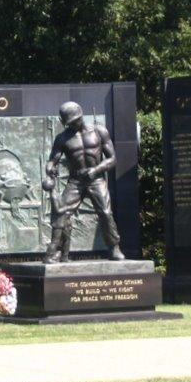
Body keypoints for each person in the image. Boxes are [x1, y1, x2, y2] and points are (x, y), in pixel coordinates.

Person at [43, 102, 125, 263]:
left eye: (75, 121)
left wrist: (96, 170)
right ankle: (59, 253)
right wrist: (50, 168)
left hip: (96, 179)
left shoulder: (99, 131)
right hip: (76, 181)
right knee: (62, 214)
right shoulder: (62, 138)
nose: (73, 124)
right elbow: (52, 160)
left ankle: (114, 247)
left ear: (81, 116)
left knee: (106, 213)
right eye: (69, 122)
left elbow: (112, 159)